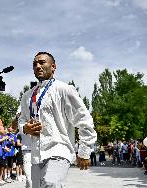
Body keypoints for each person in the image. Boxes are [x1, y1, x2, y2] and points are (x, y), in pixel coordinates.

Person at [18, 52, 97, 187]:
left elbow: (84, 119)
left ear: (53, 67)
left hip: (59, 149)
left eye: (42, 62)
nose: (37, 66)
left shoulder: (64, 89)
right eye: (34, 64)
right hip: (35, 153)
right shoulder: (27, 96)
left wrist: (84, 151)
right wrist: (25, 128)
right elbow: (22, 120)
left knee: (51, 183)